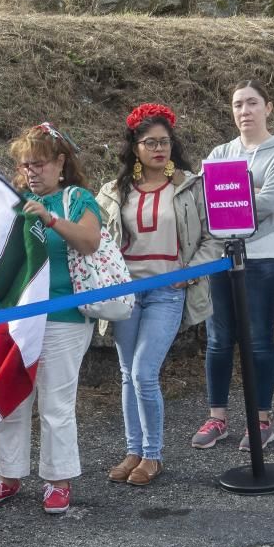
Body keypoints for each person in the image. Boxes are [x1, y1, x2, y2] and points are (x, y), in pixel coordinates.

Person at [0, 123, 102, 514]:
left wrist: (50, 220)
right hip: (16, 318)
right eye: (24, 165)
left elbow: (90, 241)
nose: (31, 171)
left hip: (64, 315)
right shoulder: (14, 202)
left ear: (60, 163)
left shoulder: (76, 198)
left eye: (39, 163)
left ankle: (58, 480)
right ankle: (8, 476)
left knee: (55, 402)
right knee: (12, 397)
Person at [97, 103, 220, 486]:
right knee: (125, 375)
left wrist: (192, 270)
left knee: (143, 373)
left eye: (164, 142)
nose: (158, 149)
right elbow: (98, 241)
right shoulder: (113, 192)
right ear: (134, 147)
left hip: (168, 290)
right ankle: (133, 451)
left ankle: (153, 456)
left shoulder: (189, 186)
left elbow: (213, 237)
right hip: (126, 295)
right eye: (149, 142)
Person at [191, 80, 274, 451]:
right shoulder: (220, 153)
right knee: (218, 341)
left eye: (252, 103)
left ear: (268, 107)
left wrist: (229, 196)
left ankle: (261, 422)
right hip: (221, 258)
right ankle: (217, 418)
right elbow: (203, 202)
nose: (244, 111)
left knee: (258, 340)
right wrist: (229, 198)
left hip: (264, 258)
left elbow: (269, 202)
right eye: (237, 105)